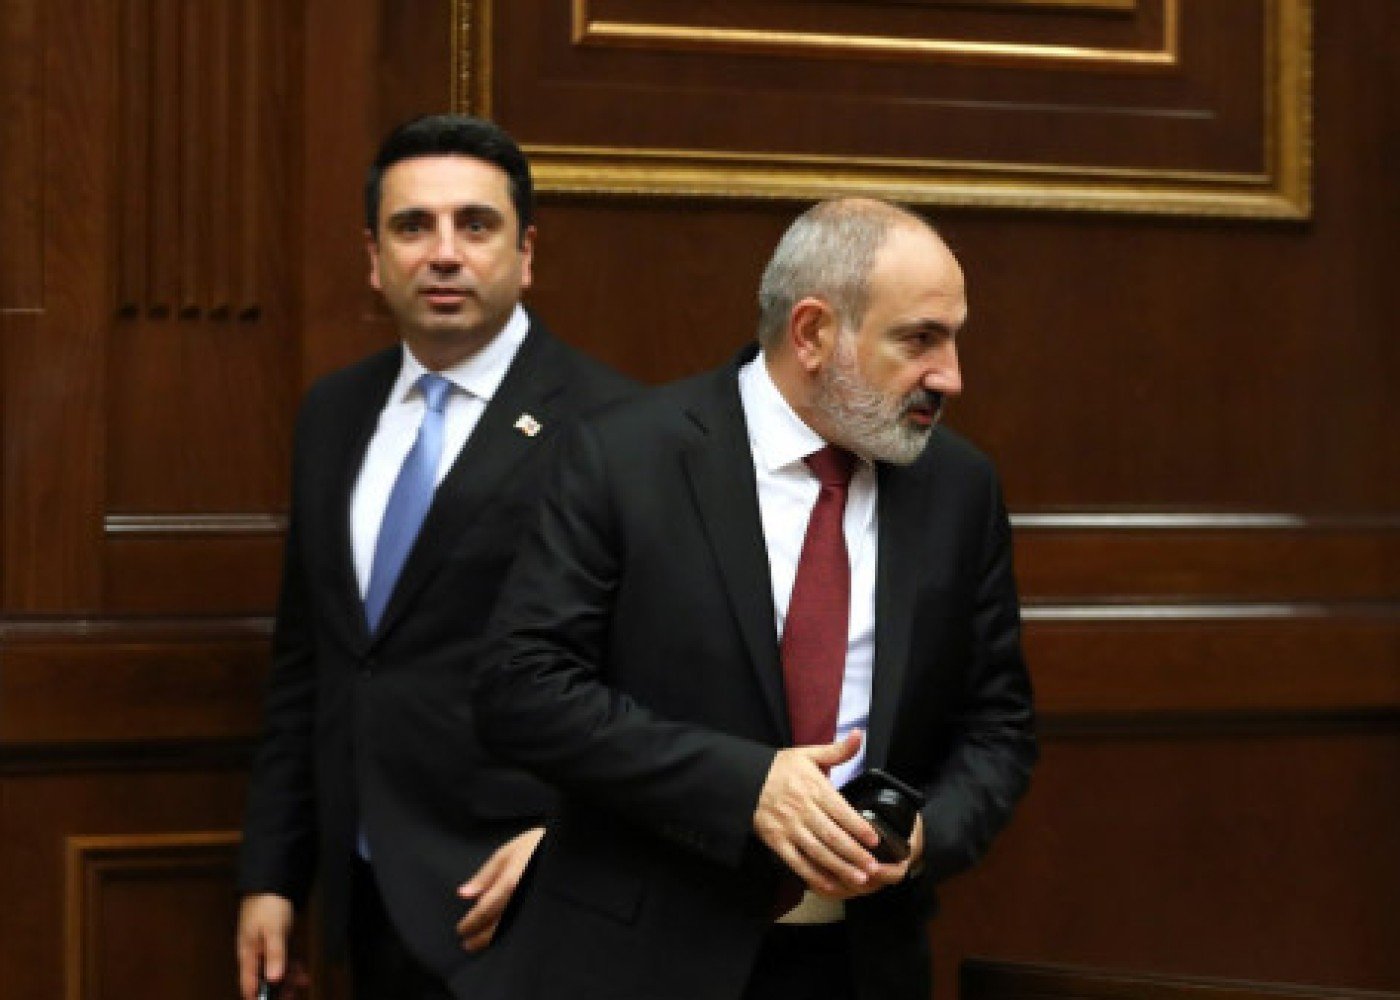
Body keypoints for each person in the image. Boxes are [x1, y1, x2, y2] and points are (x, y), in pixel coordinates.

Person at [472, 198, 1038, 1000]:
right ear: (812, 333)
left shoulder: (959, 487)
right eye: (919, 340)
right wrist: (745, 786)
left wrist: (925, 836)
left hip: (858, 965)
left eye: (952, 339)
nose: (950, 376)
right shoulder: (627, 457)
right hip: (643, 960)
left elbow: (998, 727)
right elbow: (522, 689)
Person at [234, 114, 634, 1000]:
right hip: (362, 894)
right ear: (374, 259)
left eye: (475, 225)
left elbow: (665, 679)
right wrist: (273, 873)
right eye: (413, 226)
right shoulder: (332, 414)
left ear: (525, 253)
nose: (444, 253)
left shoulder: (616, 428)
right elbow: (311, 660)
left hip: (524, 899)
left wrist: (577, 840)